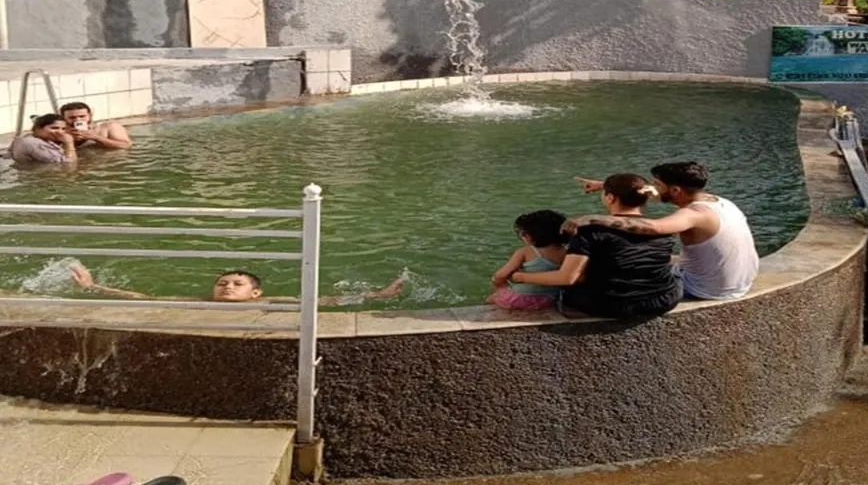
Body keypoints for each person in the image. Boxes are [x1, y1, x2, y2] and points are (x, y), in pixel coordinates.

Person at [571, 161, 759, 301]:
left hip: (706, 289)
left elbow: (654, 227)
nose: (653, 188)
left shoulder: (694, 214)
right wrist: (605, 185)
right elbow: (653, 193)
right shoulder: (720, 202)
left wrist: (591, 219)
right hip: (740, 283)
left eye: (658, 184)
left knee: (619, 268)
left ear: (676, 190)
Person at [513, 173, 682, 319]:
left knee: (571, 292)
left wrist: (521, 277)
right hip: (664, 299)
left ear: (610, 198)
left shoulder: (589, 231)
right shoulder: (662, 227)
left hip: (611, 305)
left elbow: (568, 278)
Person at [69, 263, 406, 306]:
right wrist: (94, 287)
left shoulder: (270, 303)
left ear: (255, 292)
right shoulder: (199, 302)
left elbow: (323, 302)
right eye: (222, 283)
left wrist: (378, 295)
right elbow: (143, 298)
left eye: (236, 284)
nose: (227, 287)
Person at [488, 210, 569, 311]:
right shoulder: (567, 252)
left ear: (528, 236)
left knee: (493, 298)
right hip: (551, 299)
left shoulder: (525, 252)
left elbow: (500, 275)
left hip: (520, 300)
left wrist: (499, 285)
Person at [60, 101, 133, 151]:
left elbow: (126, 146)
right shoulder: (60, 133)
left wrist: (95, 137)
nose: (78, 120)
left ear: (90, 115)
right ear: (63, 118)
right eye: (72, 118)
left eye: (82, 116)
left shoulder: (108, 127)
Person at [9, 113, 77, 165]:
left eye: (63, 129)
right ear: (38, 128)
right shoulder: (33, 143)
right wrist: (69, 143)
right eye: (54, 128)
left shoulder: (28, 138)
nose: (60, 132)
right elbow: (68, 164)